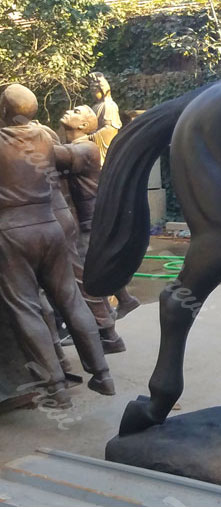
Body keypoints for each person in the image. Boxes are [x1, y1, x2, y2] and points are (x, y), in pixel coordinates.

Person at [0, 84, 114, 407]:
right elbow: (65, 158)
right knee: (71, 298)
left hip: (12, 232)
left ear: (5, 112)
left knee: (26, 308)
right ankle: (102, 374)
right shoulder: (45, 137)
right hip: (49, 227)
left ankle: (56, 388)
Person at [59, 105, 125, 352]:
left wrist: (26, 132)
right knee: (86, 276)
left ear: (85, 126)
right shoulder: (72, 148)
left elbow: (46, 154)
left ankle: (108, 334)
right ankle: (109, 329)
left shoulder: (84, 148)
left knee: (86, 279)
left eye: (76, 111)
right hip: (81, 221)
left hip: (89, 222)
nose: (69, 111)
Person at [86, 73, 141, 318]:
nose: (94, 89)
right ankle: (116, 300)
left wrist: (85, 139)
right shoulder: (96, 106)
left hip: (98, 168)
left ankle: (106, 308)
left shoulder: (108, 106)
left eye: (97, 85)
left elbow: (110, 131)